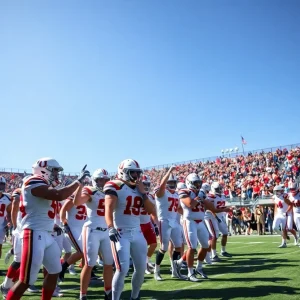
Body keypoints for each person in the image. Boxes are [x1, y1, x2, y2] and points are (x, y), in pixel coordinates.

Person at [5, 157, 90, 300]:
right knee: (26, 280)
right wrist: (78, 182)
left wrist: (54, 225)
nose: (57, 174)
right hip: (33, 233)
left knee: (55, 271)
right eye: (55, 170)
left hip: (47, 234)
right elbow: (58, 195)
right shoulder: (33, 181)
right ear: (44, 169)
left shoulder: (44, 184)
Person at [104, 159, 155, 300]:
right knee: (122, 269)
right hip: (120, 233)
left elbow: (151, 211)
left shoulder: (139, 189)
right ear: (123, 172)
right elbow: (108, 209)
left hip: (137, 232)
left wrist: (143, 193)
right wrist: (110, 227)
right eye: (133, 172)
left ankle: (135, 297)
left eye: (137, 172)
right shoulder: (115, 186)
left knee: (140, 269)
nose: (136, 175)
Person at [73, 168, 113, 300]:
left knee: (108, 263)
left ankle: (108, 292)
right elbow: (77, 202)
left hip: (107, 230)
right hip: (92, 230)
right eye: (101, 179)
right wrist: (80, 184)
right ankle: (82, 294)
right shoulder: (91, 190)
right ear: (95, 180)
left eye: (106, 179)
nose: (104, 182)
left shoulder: (111, 192)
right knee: (89, 263)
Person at [153, 166, 184, 281]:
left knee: (178, 247)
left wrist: (186, 214)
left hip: (174, 222)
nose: (171, 184)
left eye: (173, 182)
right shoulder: (162, 192)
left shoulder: (176, 194)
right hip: (164, 221)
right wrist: (169, 172)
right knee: (164, 247)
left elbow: (179, 209)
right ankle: (157, 271)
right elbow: (161, 186)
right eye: (169, 182)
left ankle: (175, 271)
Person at [139, 175, 158, 275]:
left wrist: (156, 224)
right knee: (142, 247)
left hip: (147, 222)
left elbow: (153, 212)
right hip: (137, 224)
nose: (146, 186)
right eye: (144, 184)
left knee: (154, 244)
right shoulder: (135, 194)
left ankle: (146, 261)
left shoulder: (150, 196)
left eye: (147, 184)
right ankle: (143, 265)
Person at [0, 176, 12, 259]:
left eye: (2, 185)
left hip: (1, 226)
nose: (1, 187)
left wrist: (9, 222)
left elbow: (9, 212)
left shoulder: (8, 198)